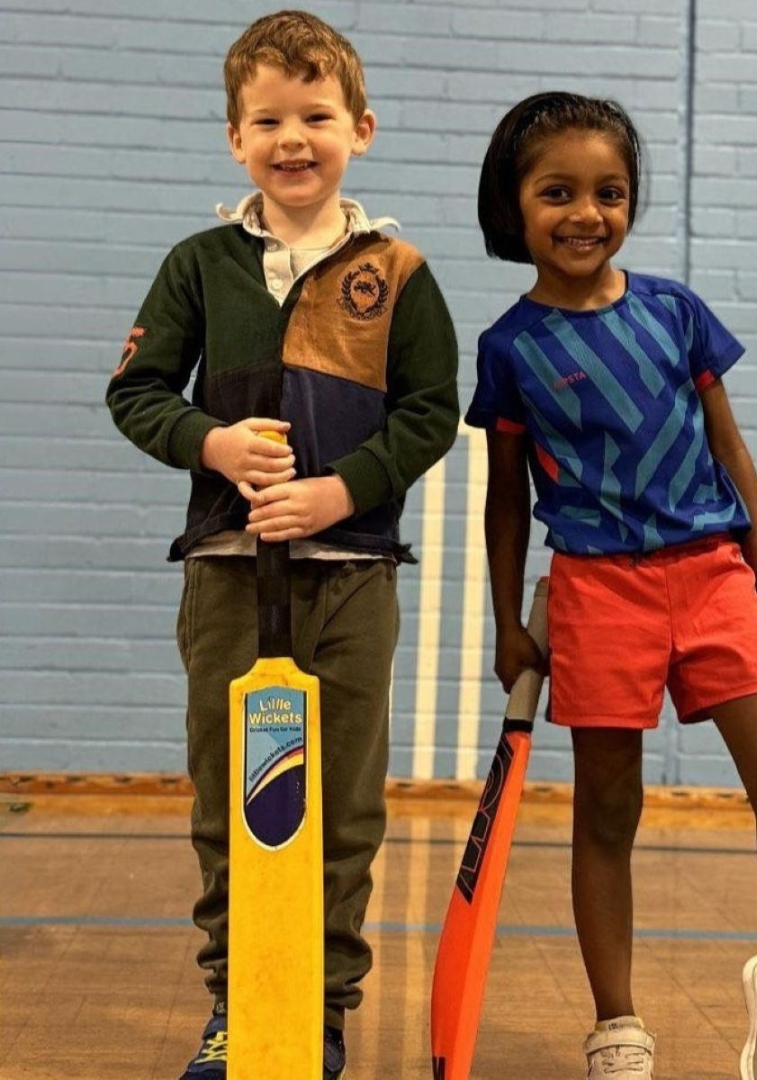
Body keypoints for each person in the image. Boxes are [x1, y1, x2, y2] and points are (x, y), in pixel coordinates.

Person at [105, 11, 459, 1079]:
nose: (291, 138)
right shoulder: (199, 264)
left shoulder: (396, 269)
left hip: (352, 580)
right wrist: (209, 441)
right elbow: (136, 393)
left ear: (362, 126)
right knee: (236, 797)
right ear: (234, 138)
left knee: (342, 800)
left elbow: (432, 411)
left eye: (315, 115)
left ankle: (321, 1008)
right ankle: (238, 1005)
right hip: (226, 577)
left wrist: (336, 492)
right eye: (267, 119)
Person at [466, 91, 757, 1080]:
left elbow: (729, 447)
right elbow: (504, 501)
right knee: (606, 814)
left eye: (609, 192)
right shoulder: (508, 350)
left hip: (712, 572)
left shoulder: (675, 312)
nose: (586, 214)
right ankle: (617, 1027)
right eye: (559, 193)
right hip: (595, 591)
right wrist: (507, 622)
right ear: (515, 205)